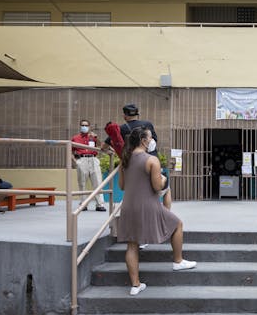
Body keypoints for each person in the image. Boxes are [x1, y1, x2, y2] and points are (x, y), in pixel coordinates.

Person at [116, 126, 196, 296]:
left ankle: (135, 285)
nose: (152, 140)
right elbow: (157, 186)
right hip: (148, 205)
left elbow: (122, 186)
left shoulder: (124, 160)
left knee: (132, 245)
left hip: (128, 206)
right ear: (144, 141)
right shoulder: (151, 160)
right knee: (177, 224)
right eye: (151, 138)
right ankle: (178, 260)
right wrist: (164, 179)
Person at [106, 103, 172, 209]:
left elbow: (105, 145)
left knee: (136, 190)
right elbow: (153, 144)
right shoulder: (147, 125)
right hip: (150, 162)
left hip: (131, 163)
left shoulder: (121, 129)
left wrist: (111, 150)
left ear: (124, 115)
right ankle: (165, 215)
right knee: (166, 189)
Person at [71, 119, 106, 212]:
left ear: (89, 127)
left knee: (98, 182)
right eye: (82, 125)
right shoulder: (75, 138)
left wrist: (96, 137)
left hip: (93, 159)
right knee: (82, 182)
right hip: (81, 159)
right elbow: (70, 150)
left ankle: (100, 204)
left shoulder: (93, 137)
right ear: (80, 126)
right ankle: (84, 204)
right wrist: (75, 161)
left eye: (86, 125)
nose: (84, 127)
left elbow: (101, 146)